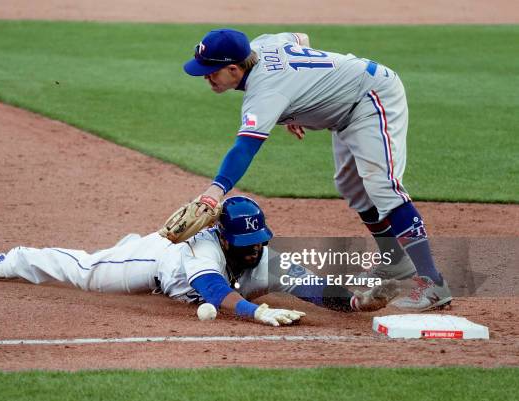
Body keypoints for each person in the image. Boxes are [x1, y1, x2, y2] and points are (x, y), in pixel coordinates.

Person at [180, 28, 452, 311]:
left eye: (211, 71)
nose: (205, 76)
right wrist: (298, 97)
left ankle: (433, 283)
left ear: (234, 69)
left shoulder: (266, 92)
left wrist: (215, 191)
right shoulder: (260, 45)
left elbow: (244, 149)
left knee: (383, 187)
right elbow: (301, 38)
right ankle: (395, 261)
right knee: (352, 188)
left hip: (372, 96)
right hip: (346, 109)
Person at [0, 196, 399, 327]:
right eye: (244, 242)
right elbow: (212, 290)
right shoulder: (200, 246)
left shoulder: (267, 256)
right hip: (158, 264)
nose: (254, 249)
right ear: (223, 235)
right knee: (87, 274)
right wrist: (258, 311)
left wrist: (359, 302)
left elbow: (312, 289)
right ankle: (15, 259)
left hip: (187, 287)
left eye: (258, 241)